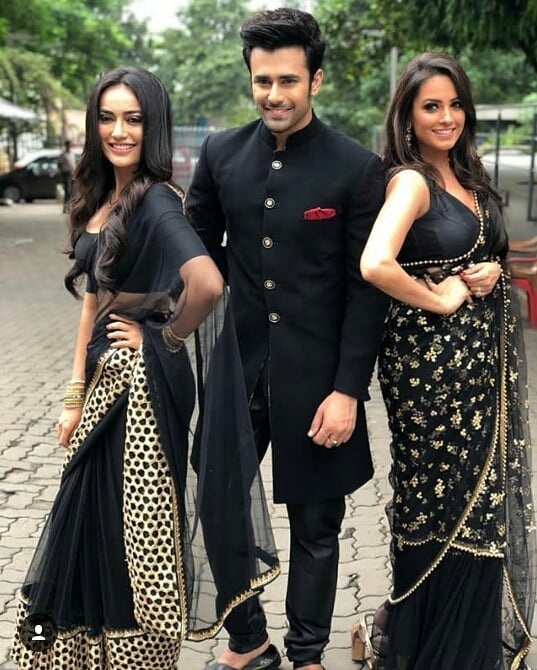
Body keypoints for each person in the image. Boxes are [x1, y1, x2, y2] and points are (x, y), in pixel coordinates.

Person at [11, 66, 279, 669]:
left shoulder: (156, 200)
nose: (119, 131)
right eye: (107, 117)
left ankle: (137, 657)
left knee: (129, 536)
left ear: (153, 125)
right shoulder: (98, 196)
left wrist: (165, 336)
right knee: (88, 525)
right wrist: (74, 394)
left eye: (133, 119)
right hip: (103, 386)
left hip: (139, 393)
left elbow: (206, 283)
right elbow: (93, 301)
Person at [186, 8, 388, 670]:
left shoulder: (355, 168)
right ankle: (249, 639)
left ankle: (306, 655)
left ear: (315, 80)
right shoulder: (220, 154)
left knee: (316, 525)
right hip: (237, 369)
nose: (273, 94)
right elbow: (194, 250)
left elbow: (365, 291)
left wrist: (347, 391)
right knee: (217, 503)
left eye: (288, 80)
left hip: (317, 380)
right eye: (262, 80)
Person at [360, 52, 535, 669]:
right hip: (429, 376)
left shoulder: (468, 175)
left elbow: (477, 254)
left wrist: (487, 272)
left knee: (479, 506)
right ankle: (426, 647)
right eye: (431, 106)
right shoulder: (411, 181)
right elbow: (376, 263)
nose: (446, 117)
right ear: (407, 115)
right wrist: (439, 297)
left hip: (479, 372)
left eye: (455, 104)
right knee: (436, 502)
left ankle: (459, 645)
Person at [57, 139, 76, 211]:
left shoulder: (72, 154)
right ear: (66, 145)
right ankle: (65, 207)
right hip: (66, 174)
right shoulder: (63, 155)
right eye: (68, 145)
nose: (69, 146)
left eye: (70, 145)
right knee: (67, 191)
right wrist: (62, 171)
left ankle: (69, 207)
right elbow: (59, 164)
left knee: (72, 191)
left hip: (72, 174)